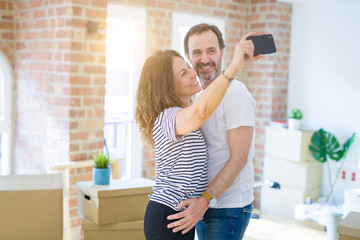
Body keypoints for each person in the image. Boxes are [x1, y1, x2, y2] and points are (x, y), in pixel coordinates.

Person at [135, 33, 261, 240]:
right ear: (168, 87)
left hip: (182, 213)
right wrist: (234, 67)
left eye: (188, 67)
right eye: (184, 72)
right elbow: (201, 112)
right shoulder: (168, 117)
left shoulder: (187, 110)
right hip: (168, 214)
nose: (194, 73)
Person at [167, 23, 258, 240]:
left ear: (222, 53)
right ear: (188, 57)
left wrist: (206, 199)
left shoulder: (235, 93)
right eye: (197, 52)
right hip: (203, 204)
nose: (205, 59)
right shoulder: (198, 99)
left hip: (227, 207)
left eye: (211, 51)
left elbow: (240, 159)